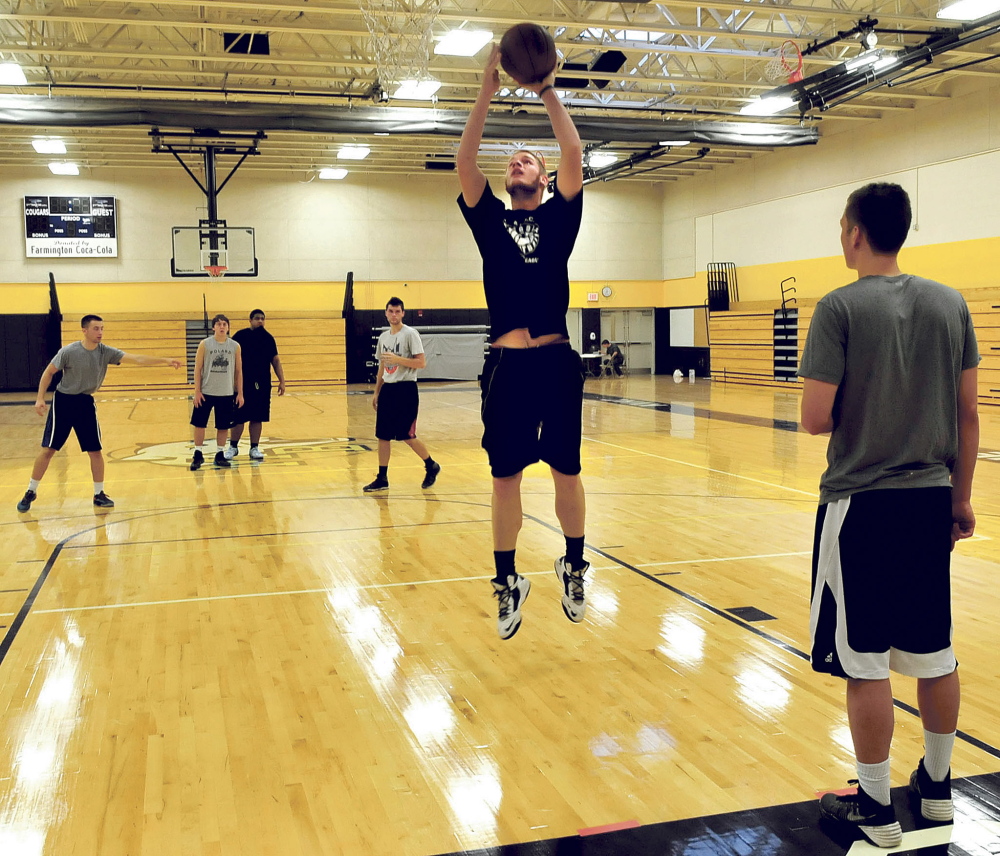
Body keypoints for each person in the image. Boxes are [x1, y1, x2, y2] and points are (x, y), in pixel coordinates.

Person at [799, 183, 979, 848]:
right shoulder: (950, 303)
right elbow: (968, 414)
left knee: (865, 663)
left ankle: (875, 807)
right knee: (935, 654)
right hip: (932, 499)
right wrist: (960, 497)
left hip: (861, 508)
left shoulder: (839, 308)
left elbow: (815, 418)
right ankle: (936, 789)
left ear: (854, 234)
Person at [457, 45, 588, 640]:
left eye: (527, 159)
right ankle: (508, 580)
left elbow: (573, 151)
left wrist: (545, 90)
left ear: (542, 178)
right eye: (513, 159)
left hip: (556, 360)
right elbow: (465, 161)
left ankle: (575, 563)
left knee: (566, 468)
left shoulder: (561, 217)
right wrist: (486, 91)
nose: (518, 161)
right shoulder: (490, 221)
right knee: (504, 477)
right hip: (506, 365)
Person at [16, 314, 182, 512]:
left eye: (102, 328)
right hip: (64, 401)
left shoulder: (105, 352)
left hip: (85, 402)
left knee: (95, 451)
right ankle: (31, 491)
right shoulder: (69, 351)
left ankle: (99, 494)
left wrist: (165, 360)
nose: (100, 332)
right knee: (49, 449)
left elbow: (136, 358)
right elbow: (49, 372)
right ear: (84, 330)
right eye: (96, 328)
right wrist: (40, 398)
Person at [362, 297, 441, 493]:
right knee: (383, 436)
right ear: (386, 313)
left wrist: (398, 359)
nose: (394, 315)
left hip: (405, 390)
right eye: (391, 311)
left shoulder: (410, 334)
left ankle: (431, 464)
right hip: (388, 389)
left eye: (398, 311)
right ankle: (382, 477)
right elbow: (382, 365)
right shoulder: (383, 337)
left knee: (407, 436)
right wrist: (377, 391)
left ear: (403, 313)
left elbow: (421, 363)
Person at [226, 309, 286, 462]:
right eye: (257, 318)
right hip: (242, 384)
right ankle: (233, 446)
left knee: (257, 417)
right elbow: (230, 358)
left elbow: (276, 361)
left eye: (263, 319)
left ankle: (254, 448)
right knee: (239, 417)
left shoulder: (268, 339)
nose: (260, 321)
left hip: (263, 383)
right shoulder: (240, 336)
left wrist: (282, 381)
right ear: (250, 320)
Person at [190, 314, 244, 471]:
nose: (222, 327)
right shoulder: (205, 344)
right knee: (199, 424)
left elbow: (239, 371)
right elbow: (197, 368)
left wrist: (240, 393)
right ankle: (198, 453)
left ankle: (220, 454)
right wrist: (197, 390)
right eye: (219, 324)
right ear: (213, 327)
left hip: (226, 393)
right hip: (206, 392)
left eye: (224, 324)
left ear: (228, 327)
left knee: (223, 426)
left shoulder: (235, 346)